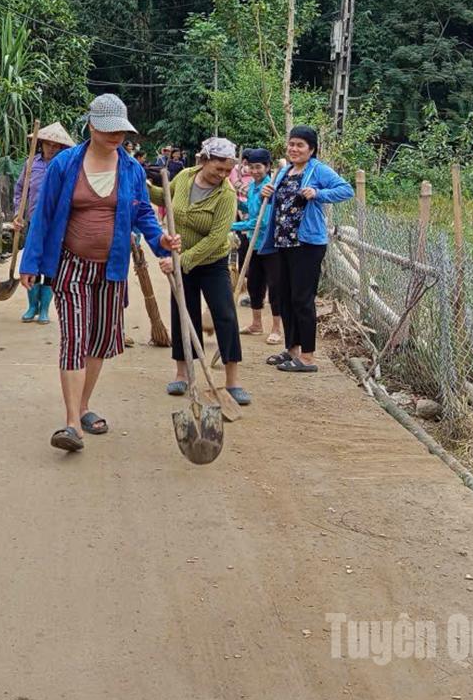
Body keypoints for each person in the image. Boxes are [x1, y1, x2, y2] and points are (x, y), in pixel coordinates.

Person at [20, 94, 181, 452]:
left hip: (112, 268)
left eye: (121, 131)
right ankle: (71, 423)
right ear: (91, 126)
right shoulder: (65, 165)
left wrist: (161, 241)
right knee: (74, 338)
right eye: (109, 130)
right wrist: (30, 262)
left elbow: (142, 214)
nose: (116, 137)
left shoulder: (132, 169)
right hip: (71, 265)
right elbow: (44, 214)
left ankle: (83, 406)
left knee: (99, 340)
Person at [151, 137, 250, 406]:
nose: (223, 175)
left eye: (227, 170)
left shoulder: (226, 194)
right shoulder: (184, 177)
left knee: (225, 315)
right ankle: (182, 373)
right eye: (218, 168)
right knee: (183, 313)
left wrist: (182, 260)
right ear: (204, 160)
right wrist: (145, 185)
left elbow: (216, 238)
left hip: (211, 262)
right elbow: (164, 196)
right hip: (180, 257)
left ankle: (233, 381)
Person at [257, 126, 354, 373]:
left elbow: (346, 190)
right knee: (286, 297)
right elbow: (277, 201)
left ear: (311, 149)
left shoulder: (318, 170)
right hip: (282, 242)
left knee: (302, 299)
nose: (294, 149)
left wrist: (318, 193)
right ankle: (291, 350)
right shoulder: (284, 171)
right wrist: (266, 192)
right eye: (291, 144)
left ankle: (308, 357)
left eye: (300, 145)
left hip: (307, 244)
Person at [15, 122, 75, 324]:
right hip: (33, 221)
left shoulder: (64, 167)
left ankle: (44, 309)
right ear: (41, 144)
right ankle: (32, 306)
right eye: (48, 144)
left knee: (50, 264)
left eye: (55, 145)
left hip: (57, 224)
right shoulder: (31, 164)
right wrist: (18, 214)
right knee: (32, 262)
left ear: (61, 147)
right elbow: (20, 190)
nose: (51, 148)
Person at [232, 149, 282, 344]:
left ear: (267, 167)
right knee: (254, 283)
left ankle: (276, 329)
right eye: (251, 167)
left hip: (269, 245)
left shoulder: (270, 188)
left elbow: (261, 221)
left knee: (275, 286)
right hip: (253, 243)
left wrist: (233, 226)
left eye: (258, 167)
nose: (254, 171)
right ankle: (256, 324)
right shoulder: (253, 186)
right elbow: (252, 210)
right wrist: (235, 202)